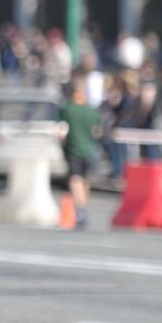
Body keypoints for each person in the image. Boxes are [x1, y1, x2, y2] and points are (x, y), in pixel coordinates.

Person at [58, 77, 102, 229]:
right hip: (88, 150)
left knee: (75, 180)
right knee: (84, 181)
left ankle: (81, 210)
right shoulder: (91, 111)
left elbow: (61, 131)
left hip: (74, 149)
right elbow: (96, 132)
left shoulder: (68, 109)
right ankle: (82, 206)